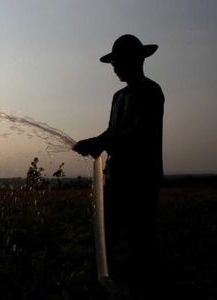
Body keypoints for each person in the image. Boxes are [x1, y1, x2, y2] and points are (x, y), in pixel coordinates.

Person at [73, 34, 164, 294]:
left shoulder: (151, 92)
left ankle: (147, 285)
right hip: (116, 177)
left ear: (136, 61)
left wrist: (103, 143)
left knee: (141, 238)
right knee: (109, 233)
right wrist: (92, 141)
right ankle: (109, 282)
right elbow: (112, 130)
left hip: (142, 179)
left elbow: (140, 132)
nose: (113, 67)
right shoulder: (118, 96)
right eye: (113, 62)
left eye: (117, 62)